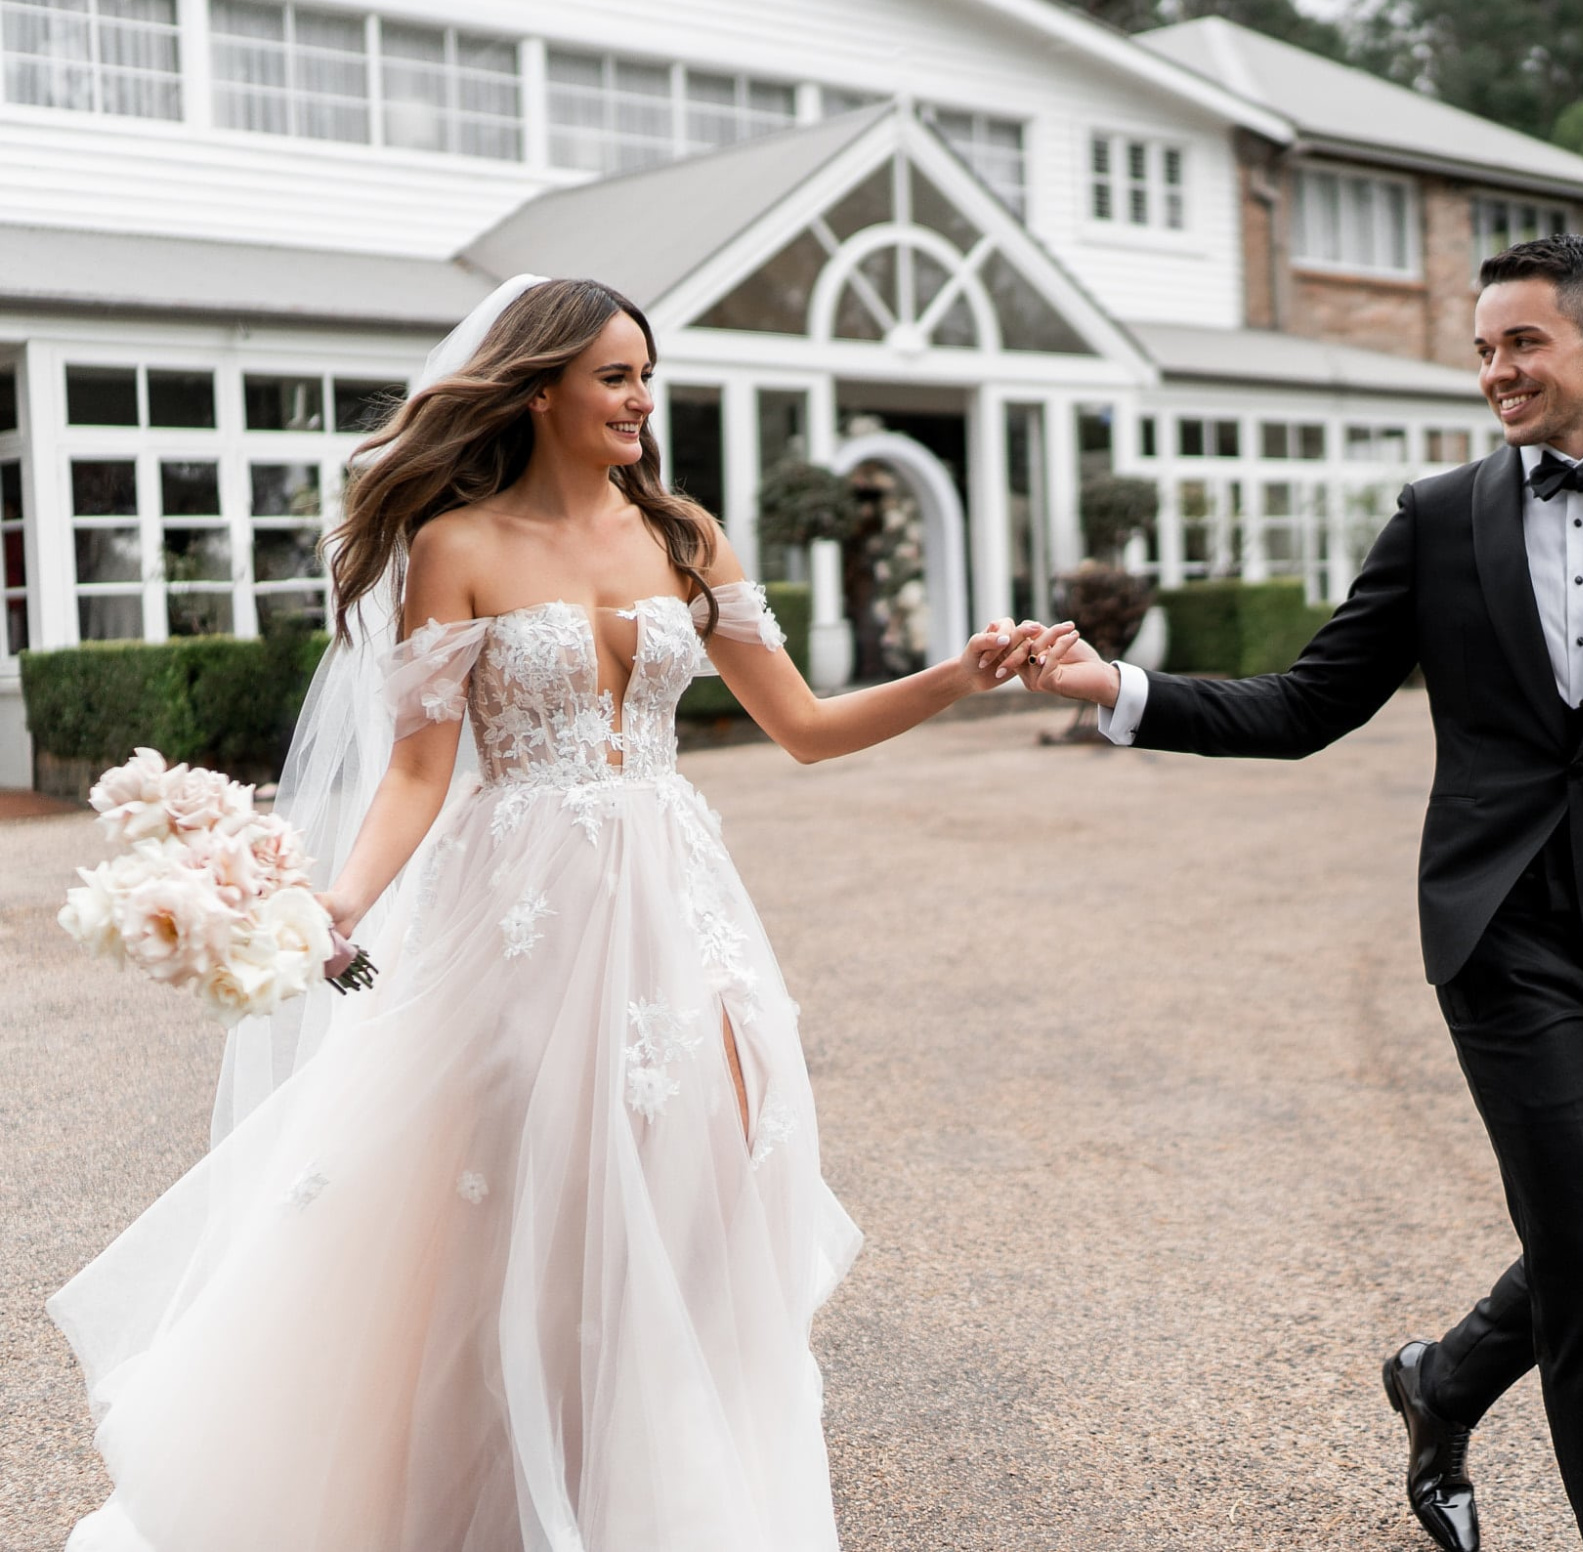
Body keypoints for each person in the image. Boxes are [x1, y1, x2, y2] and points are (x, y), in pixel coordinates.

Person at [48, 276, 1055, 1552]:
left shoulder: (684, 536)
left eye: (647, 376)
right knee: (512, 1199)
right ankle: (488, 1497)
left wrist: (956, 676)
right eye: (616, 378)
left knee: (710, 1175)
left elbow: (800, 727)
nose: (642, 400)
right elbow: (418, 770)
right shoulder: (456, 547)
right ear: (539, 390)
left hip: (679, 897)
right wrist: (335, 901)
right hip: (517, 905)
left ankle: (647, 1492)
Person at [1017, 235, 1583, 1552]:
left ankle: (1440, 1384)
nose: (1495, 370)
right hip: (1500, 936)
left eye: (1522, 344)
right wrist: (1120, 691)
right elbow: (1307, 703)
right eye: (1485, 348)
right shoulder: (1439, 522)